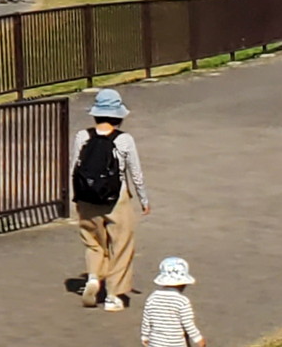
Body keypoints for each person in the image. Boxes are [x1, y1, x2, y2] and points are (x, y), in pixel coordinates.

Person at [72, 88, 151, 311]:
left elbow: (74, 169)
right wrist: (144, 199)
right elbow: (135, 173)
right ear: (118, 115)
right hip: (116, 199)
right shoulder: (124, 140)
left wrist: (76, 198)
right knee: (121, 244)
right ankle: (113, 295)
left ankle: (94, 278)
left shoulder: (83, 136)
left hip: (87, 199)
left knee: (93, 243)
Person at [141, 258, 206, 347]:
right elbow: (188, 323)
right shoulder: (182, 301)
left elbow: (146, 321)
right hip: (176, 343)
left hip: (155, 342)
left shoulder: (152, 298)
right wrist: (198, 338)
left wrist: (145, 336)